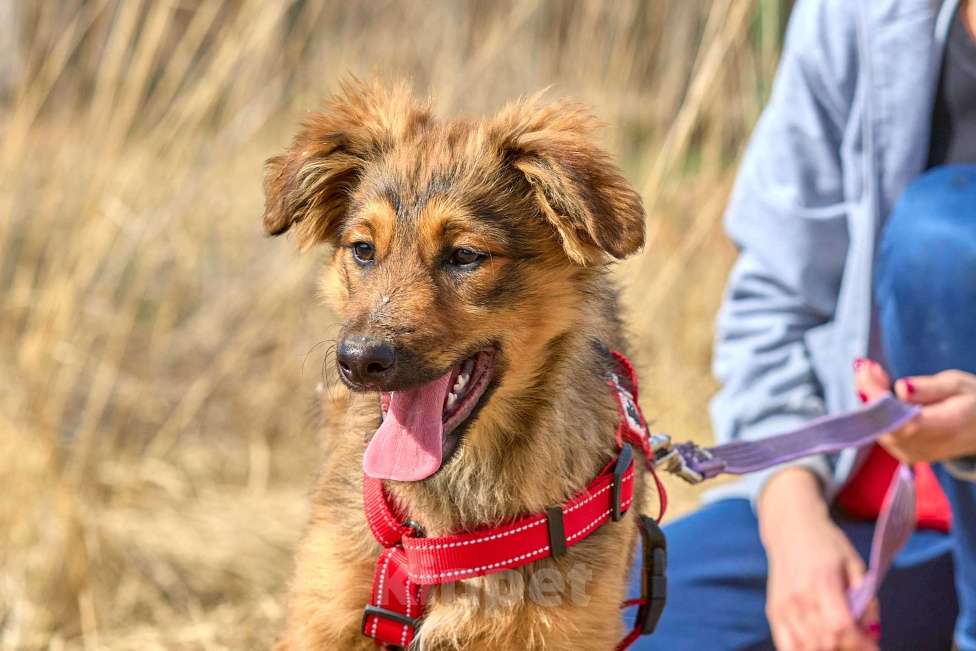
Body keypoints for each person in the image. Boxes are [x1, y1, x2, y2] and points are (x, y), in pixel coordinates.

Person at [636, 0, 976, 649]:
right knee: (618, 618)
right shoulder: (857, 17)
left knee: (941, 233)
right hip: (845, 507)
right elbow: (774, 299)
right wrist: (791, 518)